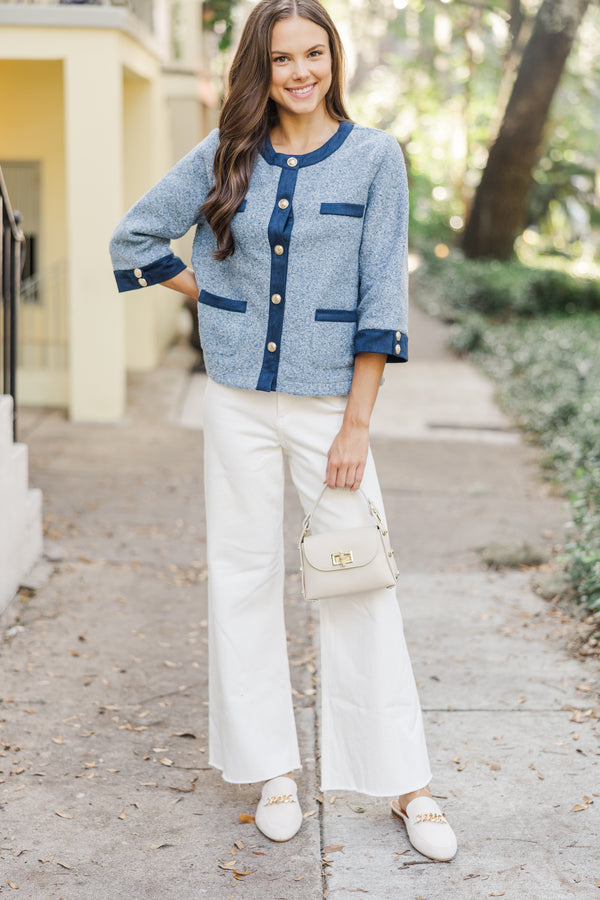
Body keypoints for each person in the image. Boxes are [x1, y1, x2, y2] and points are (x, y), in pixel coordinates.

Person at [109, 0, 457, 863]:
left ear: (333, 58)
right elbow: (136, 234)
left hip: (329, 409)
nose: (300, 72)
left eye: (314, 54)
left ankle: (407, 784)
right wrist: (217, 299)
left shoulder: (376, 158)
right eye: (281, 59)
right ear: (258, 71)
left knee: (359, 582)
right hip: (234, 401)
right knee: (243, 577)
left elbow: (383, 299)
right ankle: (273, 772)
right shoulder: (228, 154)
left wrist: (357, 426)